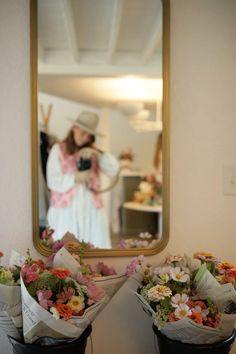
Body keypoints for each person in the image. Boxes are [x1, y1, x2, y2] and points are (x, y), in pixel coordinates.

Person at [46, 111, 119, 248]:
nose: (86, 137)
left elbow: (114, 169)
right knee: (65, 253)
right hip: (66, 211)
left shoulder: (94, 151)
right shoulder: (58, 149)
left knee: (95, 250)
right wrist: (75, 177)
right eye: (83, 132)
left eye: (89, 135)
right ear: (74, 127)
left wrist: (97, 154)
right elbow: (52, 181)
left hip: (91, 210)